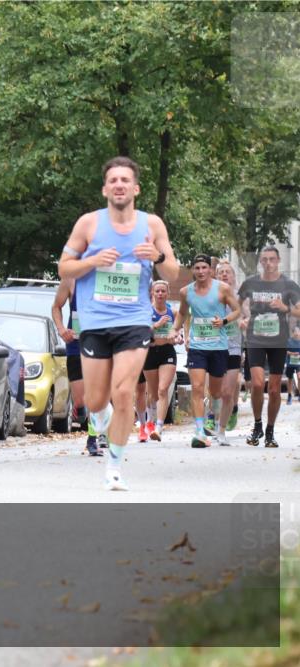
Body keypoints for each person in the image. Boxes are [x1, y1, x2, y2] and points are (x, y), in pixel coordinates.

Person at [58, 156, 179, 491]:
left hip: (134, 321)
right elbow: (64, 268)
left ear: (136, 188)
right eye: (113, 180)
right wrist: (93, 260)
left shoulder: (151, 225)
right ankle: (102, 420)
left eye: (125, 180)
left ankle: (114, 465)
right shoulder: (89, 224)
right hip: (95, 321)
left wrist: (155, 257)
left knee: (123, 392)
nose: (119, 185)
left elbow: (171, 272)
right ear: (105, 189)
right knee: (96, 401)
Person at [173, 254, 240, 448]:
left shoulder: (223, 289)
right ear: (193, 270)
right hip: (197, 346)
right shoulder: (186, 292)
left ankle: (220, 427)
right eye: (197, 268)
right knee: (197, 387)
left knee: (216, 392)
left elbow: (236, 310)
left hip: (219, 347)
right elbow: (183, 313)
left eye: (204, 268)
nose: (201, 271)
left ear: (210, 270)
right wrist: (175, 329)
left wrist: (224, 321)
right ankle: (200, 430)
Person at [237, 246, 300, 448]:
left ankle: (270, 431)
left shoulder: (289, 285)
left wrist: (286, 308)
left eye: (272, 259)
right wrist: (241, 319)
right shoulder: (251, 283)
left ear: (278, 260)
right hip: (255, 339)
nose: (268, 263)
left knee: (274, 389)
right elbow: (235, 304)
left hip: (278, 341)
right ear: (260, 262)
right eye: (264, 259)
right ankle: (257, 425)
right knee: (256, 384)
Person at [52, 278, 102, 455]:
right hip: (75, 343)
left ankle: (92, 438)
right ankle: (79, 409)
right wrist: (61, 329)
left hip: (99, 342)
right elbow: (56, 307)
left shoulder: (106, 277)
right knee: (80, 399)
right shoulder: (70, 280)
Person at [144, 280, 179, 441]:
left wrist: (177, 338)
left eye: (163, 291)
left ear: (167, 293)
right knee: (152, 393)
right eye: (157, 291)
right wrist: (157, 325)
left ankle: (159, 426)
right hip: (150, 353)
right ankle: (149, 420)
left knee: (162, 389)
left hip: (167, 353)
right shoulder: (145, 311)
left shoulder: (174, 313)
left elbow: (177, 333)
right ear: (152, 292)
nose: (160, 294)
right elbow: (142, 332)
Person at [215, 261, 243, 440]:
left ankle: (221, 430)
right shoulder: (211, 295)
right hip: (215, 346)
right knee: (216, 391)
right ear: (216, 277)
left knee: (227, 392)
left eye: (228, 272)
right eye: (221, 272)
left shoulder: (240, 296)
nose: (225, 274)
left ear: (233, 276)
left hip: (234, 347)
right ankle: (215, 417)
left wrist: (245, 322)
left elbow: (248, 314)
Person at [286, 319, 300, 404]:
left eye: (298, 331)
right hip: (290, 363)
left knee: (299, 377)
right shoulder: (289, 341)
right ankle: (289, 396)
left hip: (299, 363)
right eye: (296, 331)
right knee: (290, 379)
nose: (297, 333)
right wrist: (292, 353)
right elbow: (285, 351)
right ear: (293, 332)